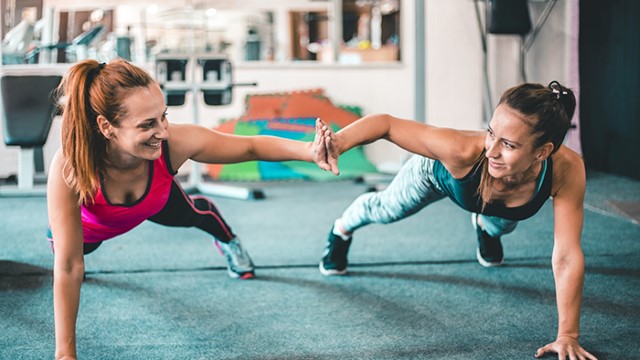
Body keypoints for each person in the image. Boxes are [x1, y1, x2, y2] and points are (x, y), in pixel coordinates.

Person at [47, 59, 337, 360]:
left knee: (197, 214)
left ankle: (229, 241)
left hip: (155, 201)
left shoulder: (174, 143)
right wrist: (65, 354)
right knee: (69, 260)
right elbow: (69, 267)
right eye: (147, 124)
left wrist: (307, 151)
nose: (162, 131)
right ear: (106, 126)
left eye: (163, 117)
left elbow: (249, 146)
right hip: (95, 226)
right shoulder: (69, 166)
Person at [317, 81, 597, 359]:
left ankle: (485, 227)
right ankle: (341, 229)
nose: (492, 151)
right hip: (436, 176)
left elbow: (567, 254)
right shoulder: (461, 150)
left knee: (504, 221)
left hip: (501, 202)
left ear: (543, 152)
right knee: (386, 209)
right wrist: (340, 142)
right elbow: (386, 125)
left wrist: (568, 335)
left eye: (509, 144)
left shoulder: (566, 170)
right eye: (491, 133)